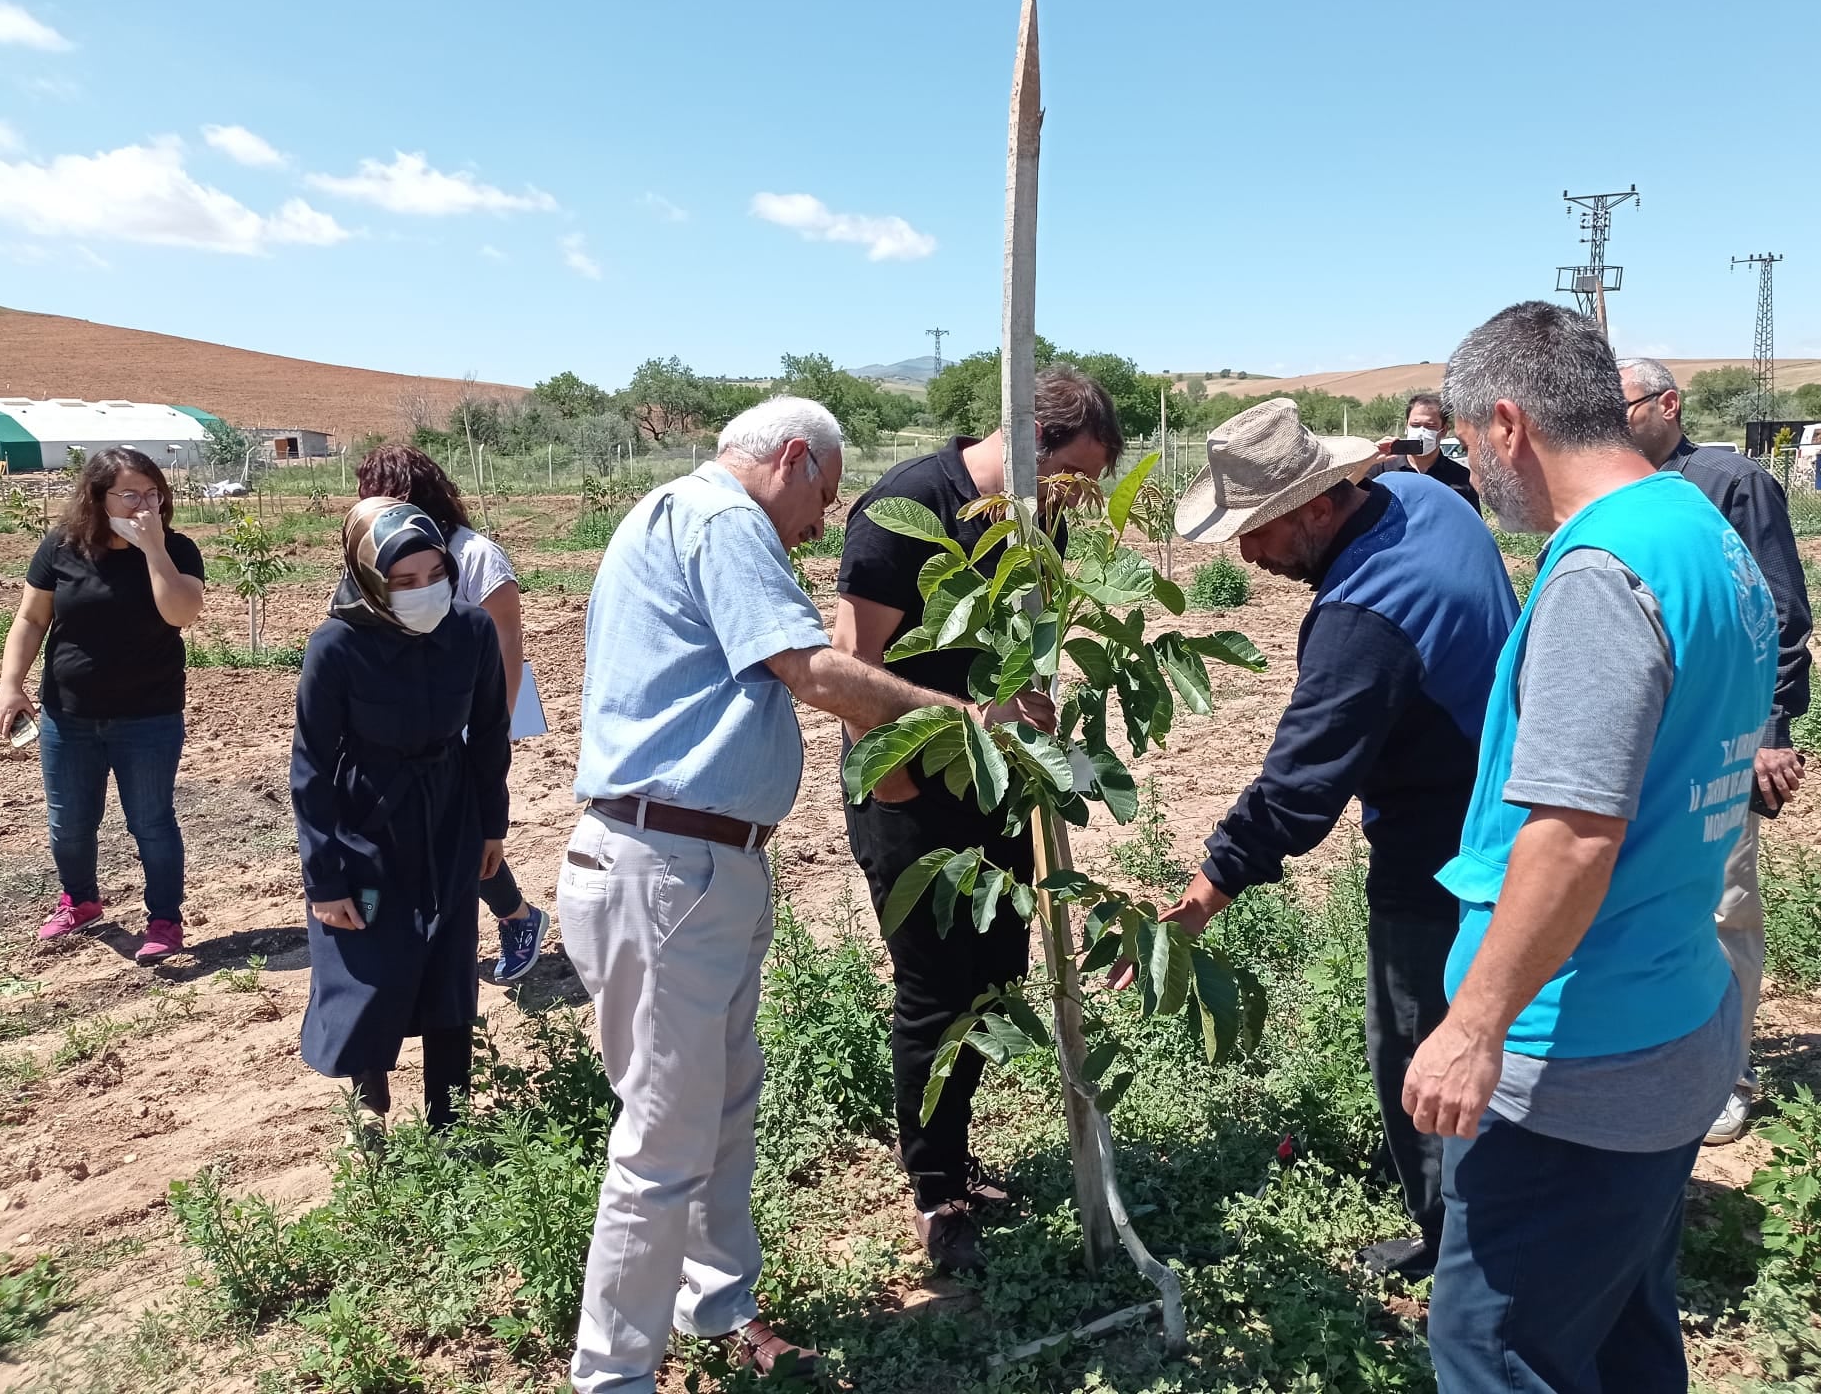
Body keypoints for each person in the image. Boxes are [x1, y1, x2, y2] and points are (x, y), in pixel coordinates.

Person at [556, 396, 1050, 1390]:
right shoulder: (721, 518)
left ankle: (719, 1304)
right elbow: (816, 667)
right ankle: (612, 1374)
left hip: (698, 861)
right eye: (820, 497)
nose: (820, 524)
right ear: (788, 457)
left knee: (723, 1105)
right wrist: (968, 721)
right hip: (667, 865)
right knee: (661, 1141)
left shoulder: (671, 512)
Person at [1405, 302, 1776, 1394]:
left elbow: (1570, 834)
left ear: (1506, 424)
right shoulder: (1696, 529)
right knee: (1618, 1333)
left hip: (1577, 1051)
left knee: (1495, 1353)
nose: (1470, 470)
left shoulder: (1597, 576)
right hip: (1672, 1010)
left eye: (1469, 444)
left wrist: (1474, 1025)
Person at [1148, 397, 1517, 1282]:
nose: (1245, 554)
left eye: (1257, 531)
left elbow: (1298, 791)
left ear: (1317, 506)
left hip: (1441, 849)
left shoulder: (1365, 621)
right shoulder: (1425, 501)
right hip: (1505, 799)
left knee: (1419, 1041)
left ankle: (1457, 1249)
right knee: (1493, 1028)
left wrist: (1198, 900)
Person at [833, 364, 1123, 1275]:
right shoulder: (904, 508)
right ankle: (933, 1185)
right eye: (1076, 473)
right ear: (1031, 444)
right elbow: (852, 665)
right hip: (912, 792)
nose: (1082, 496)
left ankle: (955, 1153)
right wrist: (897, 793)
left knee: (995, 976)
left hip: (1000, 790)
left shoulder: (1041, 517)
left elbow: (1026, 645)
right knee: (934, 990)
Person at [1618, 356, 1815, 1146]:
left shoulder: (1729, 481)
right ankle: (1661, 1050)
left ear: (1668, 403)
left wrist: (1771, 730)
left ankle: (1727, 1075)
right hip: (1648, 734)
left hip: (1720, 735)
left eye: (1624, 406)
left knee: (1723, 903)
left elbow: (1780, 611)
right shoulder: (1623, 489)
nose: (1612, 419)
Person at [291, 498, 510, 1133]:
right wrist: (324, 880)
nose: (424, 592)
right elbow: (309, 767)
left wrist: (491, 824)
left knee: (448, 951)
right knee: (372, 954)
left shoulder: (469, 631)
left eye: (435, 574)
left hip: (449, 810)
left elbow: (490, 732)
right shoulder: (336, 645)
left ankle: (451, 1111)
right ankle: (369, 1094)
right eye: (404, 582)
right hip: (367, 813)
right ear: (369, 581)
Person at [0, 448, 205, 964]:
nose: (145, 504)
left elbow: (181, 613)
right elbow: (29, 619)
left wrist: (154, 548)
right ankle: (81, 901)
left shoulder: (177, 548)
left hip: (149, 717)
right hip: (69, 716)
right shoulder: (61, 547)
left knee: (151, 822)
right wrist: (9, 684)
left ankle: (164, 920)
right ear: (98, 497)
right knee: (68, 823)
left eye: (153, 493)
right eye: (130, 494)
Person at [357, 443, 551, 983]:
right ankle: (498, 922)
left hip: (468, 722)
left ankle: (516, 918)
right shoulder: (380, 558)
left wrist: (495, 730)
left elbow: (506, 648)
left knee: (462, 832)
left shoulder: (476, 556)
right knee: (431, 831)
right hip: (410, 728)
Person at [1371, 392, 1481, 512]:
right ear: (1406, 426)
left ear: (1443, 431)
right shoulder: (1380, 468)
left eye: (1430, 426)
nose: (1421, 432)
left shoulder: (1461, 478)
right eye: (1415, 425)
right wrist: (1369, 458)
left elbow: (1471, 526)